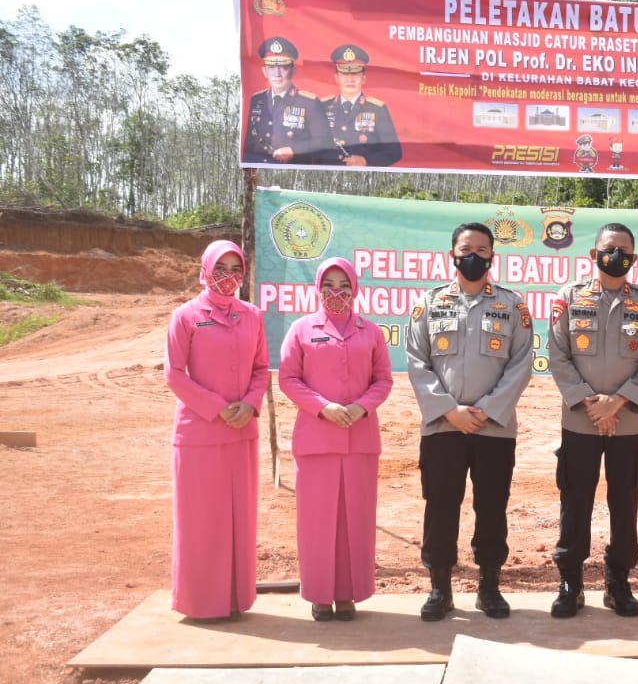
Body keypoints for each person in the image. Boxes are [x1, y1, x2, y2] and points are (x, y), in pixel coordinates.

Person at [406, 223, 534, 621]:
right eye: (467, 249)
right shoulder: (428, 304)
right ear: (452, 255)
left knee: (492, 506)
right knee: (441, 506)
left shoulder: (513, 307)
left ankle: (489, 587)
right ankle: (439, 588)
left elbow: (522, 364)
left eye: (482, 249)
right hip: (443, 427)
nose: (474, 256)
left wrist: (487, 410)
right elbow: (416, 362)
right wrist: (450, 410)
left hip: (494, 428)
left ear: (493, 257)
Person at [546, 223, 638, 618]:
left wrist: (617, 403)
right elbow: (558, 356)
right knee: (575, 499)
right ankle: (571, 582)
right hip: (581, 419)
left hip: (627, 422)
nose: (616, 255)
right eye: (609, 248)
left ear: (634, 257)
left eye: (624, 249)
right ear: (592, 254)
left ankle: (618, 582)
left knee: (625, 501)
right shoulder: (569, 298)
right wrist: (590, 402)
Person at [278, 258, 393, 621]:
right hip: (316, 439)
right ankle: (319, 594)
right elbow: (289, 378)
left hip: (360, 439)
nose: (336, 293)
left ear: (355, 288)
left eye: (344, 285)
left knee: (355, 519)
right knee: (317, 521)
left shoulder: (371, 332)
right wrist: (323, 407)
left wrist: (361, 407)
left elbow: (383, 381)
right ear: (317, 288)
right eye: (329, 285)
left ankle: (349, 595)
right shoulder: (301, 329)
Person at [163, 240, 269, 620]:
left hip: (242, 430)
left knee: (239, 517)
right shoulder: (186, 316)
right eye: (220, 267)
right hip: (200, 433)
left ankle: (234, 599)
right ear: (205, 269)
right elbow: (174, 374)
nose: (228, 276)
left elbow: (261, 369)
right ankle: (201, 602)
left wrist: (250, 404)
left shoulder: (253, 315)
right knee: (201, 519)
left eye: (235, 268)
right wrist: (217, 408)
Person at [243, 36, 326, 164]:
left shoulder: (309, 103)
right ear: (264, 71)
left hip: (293, 170)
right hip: (261, 168)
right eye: (271, 67)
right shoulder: (257, 100)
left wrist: (294, 150)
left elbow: (324, 141)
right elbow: (249, 143)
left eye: (283, 67)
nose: (277, 73)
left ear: (293, 71)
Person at [320, 44, 403, 167]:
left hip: (363, 178)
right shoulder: (321, 107)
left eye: (355, 74)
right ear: (336, 78)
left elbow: (394, 152)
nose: (350, 79)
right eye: (344, 74)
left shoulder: (376, 109)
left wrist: (366, 161)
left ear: (364, 78)